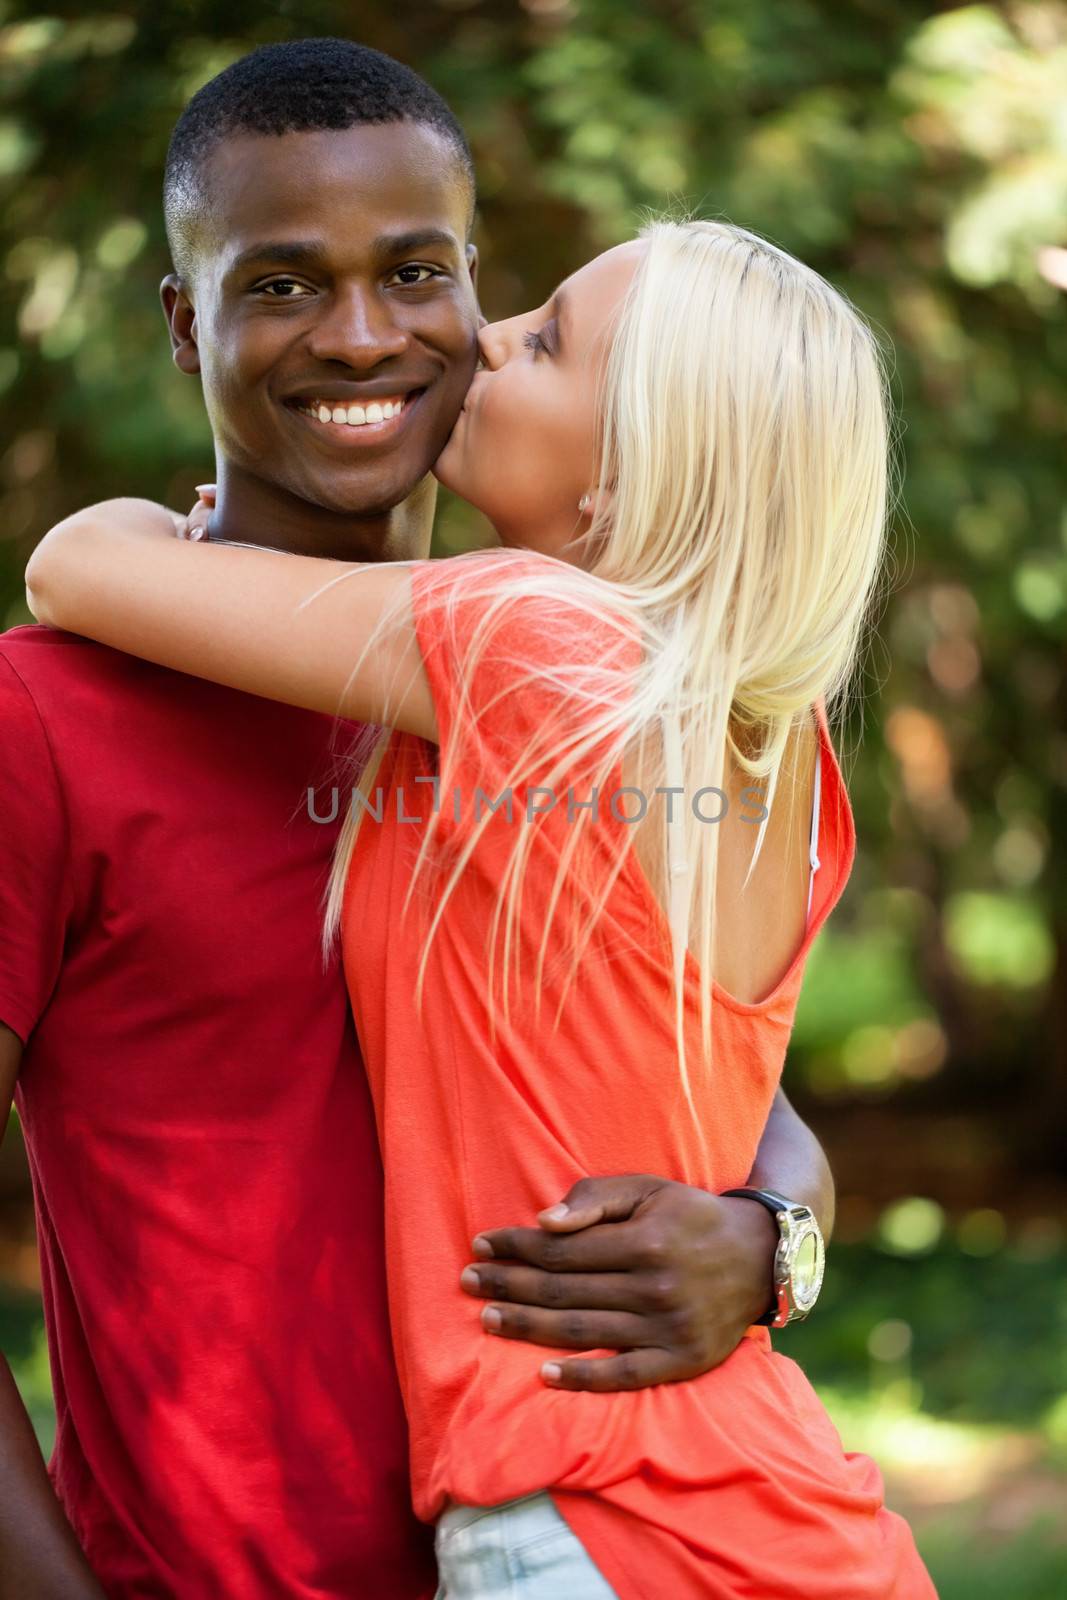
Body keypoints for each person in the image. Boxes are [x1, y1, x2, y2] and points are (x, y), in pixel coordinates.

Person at [0, 40, 837, 1599]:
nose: (363, 334)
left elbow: (715, 1068)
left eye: (419, 273)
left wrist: (773, 1231)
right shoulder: (40, 721)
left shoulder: (587, 698)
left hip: (592, 1534)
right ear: (186, 326)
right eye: (280, 286)